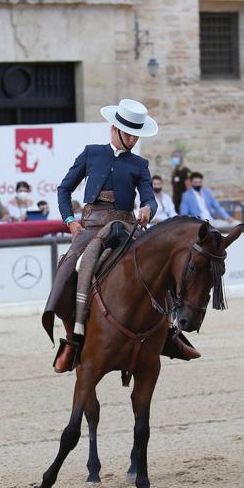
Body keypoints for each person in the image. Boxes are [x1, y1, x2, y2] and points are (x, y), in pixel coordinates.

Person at [42, 98, 199, 372]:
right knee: (69, 267)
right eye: (129, 134)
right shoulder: (91, 153)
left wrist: (148, 208)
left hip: (126, 226)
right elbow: (64, 189)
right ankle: (72, 337)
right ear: (115, 129)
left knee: (159, 266)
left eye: (137, 134)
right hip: (90, 225)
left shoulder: (140, 164)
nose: (134, 139)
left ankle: (170, 331)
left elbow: (149, 197)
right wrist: (70, 221)